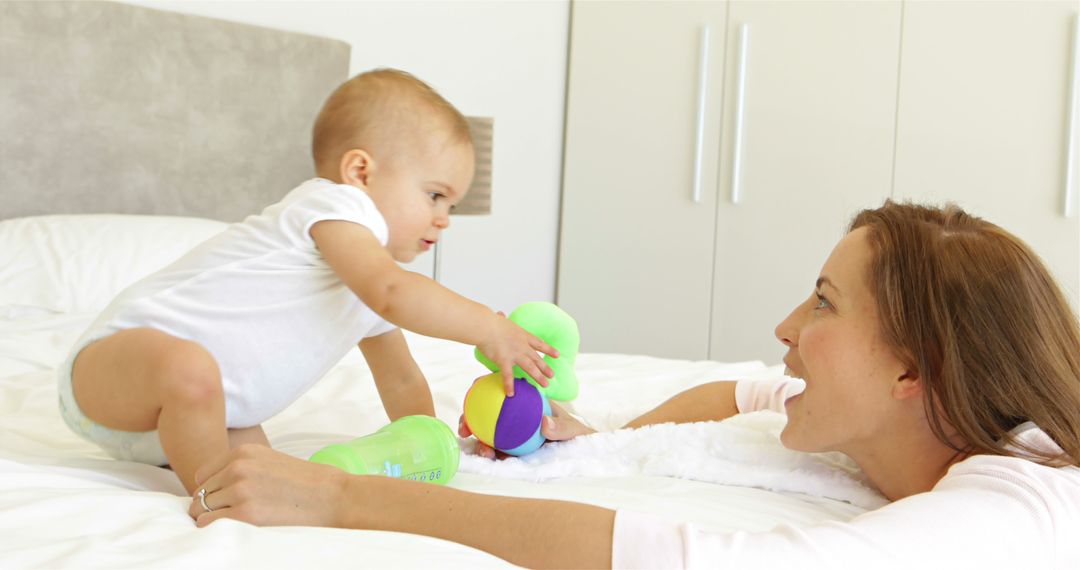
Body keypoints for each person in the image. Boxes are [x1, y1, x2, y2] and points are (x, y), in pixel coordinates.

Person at [186, 201, 1080, 568]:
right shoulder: (956, 416)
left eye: (821, 303)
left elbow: (672, 557)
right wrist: (608, 435)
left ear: (911, 371)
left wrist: (346, 500)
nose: (784, 330)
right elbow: (734, 392)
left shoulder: (1008, 509)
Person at [58, 68, 557, 495]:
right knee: (190, 369)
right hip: (112, 372)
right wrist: (485, 328)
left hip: (205, 416)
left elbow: (401, 379)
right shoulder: (331, 206)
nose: (445, 218)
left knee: (279, 476)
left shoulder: (366, 286)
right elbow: (394, 292)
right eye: (434, 195)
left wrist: (438, 442)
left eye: (452, 206)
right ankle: (217, 499)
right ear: (360, 172)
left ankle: (235, 487)